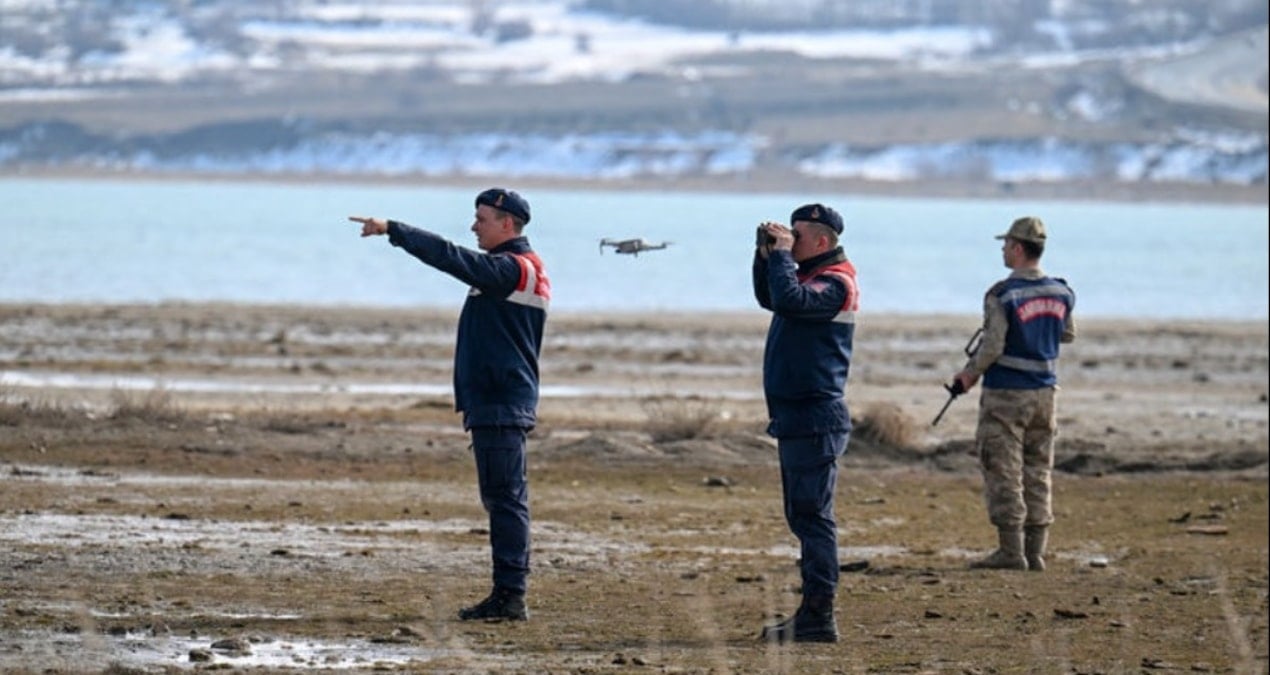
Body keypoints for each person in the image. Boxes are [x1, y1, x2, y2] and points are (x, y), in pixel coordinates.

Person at [349, 187, 550, 621]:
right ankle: (508, 594)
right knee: (503, 498)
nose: (474, 226)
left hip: (501, 400)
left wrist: (394, 230)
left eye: (482, 218)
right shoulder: (511, 270)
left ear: (507, 224)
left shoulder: (513, 268)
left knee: (505, 500)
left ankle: (510, 597)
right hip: (496, 400)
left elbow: (450, 257)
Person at [752, 203, 860, 643]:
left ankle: (819, 616)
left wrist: (779, 258)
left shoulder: (836, 283)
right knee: (804, 515)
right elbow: (770, 297)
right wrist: (765, 256)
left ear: (821, 241)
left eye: (796, 236)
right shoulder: (811, 276)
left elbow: (788, 299)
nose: (789, 242)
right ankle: (814, 613)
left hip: (817, 416)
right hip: (800, 415)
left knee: (814, 518)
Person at [951, 216, 1076, 572]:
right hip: (1046, 394)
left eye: (1006, 245)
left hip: (1006, 395)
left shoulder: (1003, 294)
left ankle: (1010, 551)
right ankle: (1035, 551)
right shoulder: (1062, 292)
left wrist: (968, 376)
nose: (1004, 250)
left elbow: (992, 347)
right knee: (1039, 469)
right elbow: (1067, 334)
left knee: (1002, 468)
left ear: (1018, 248)